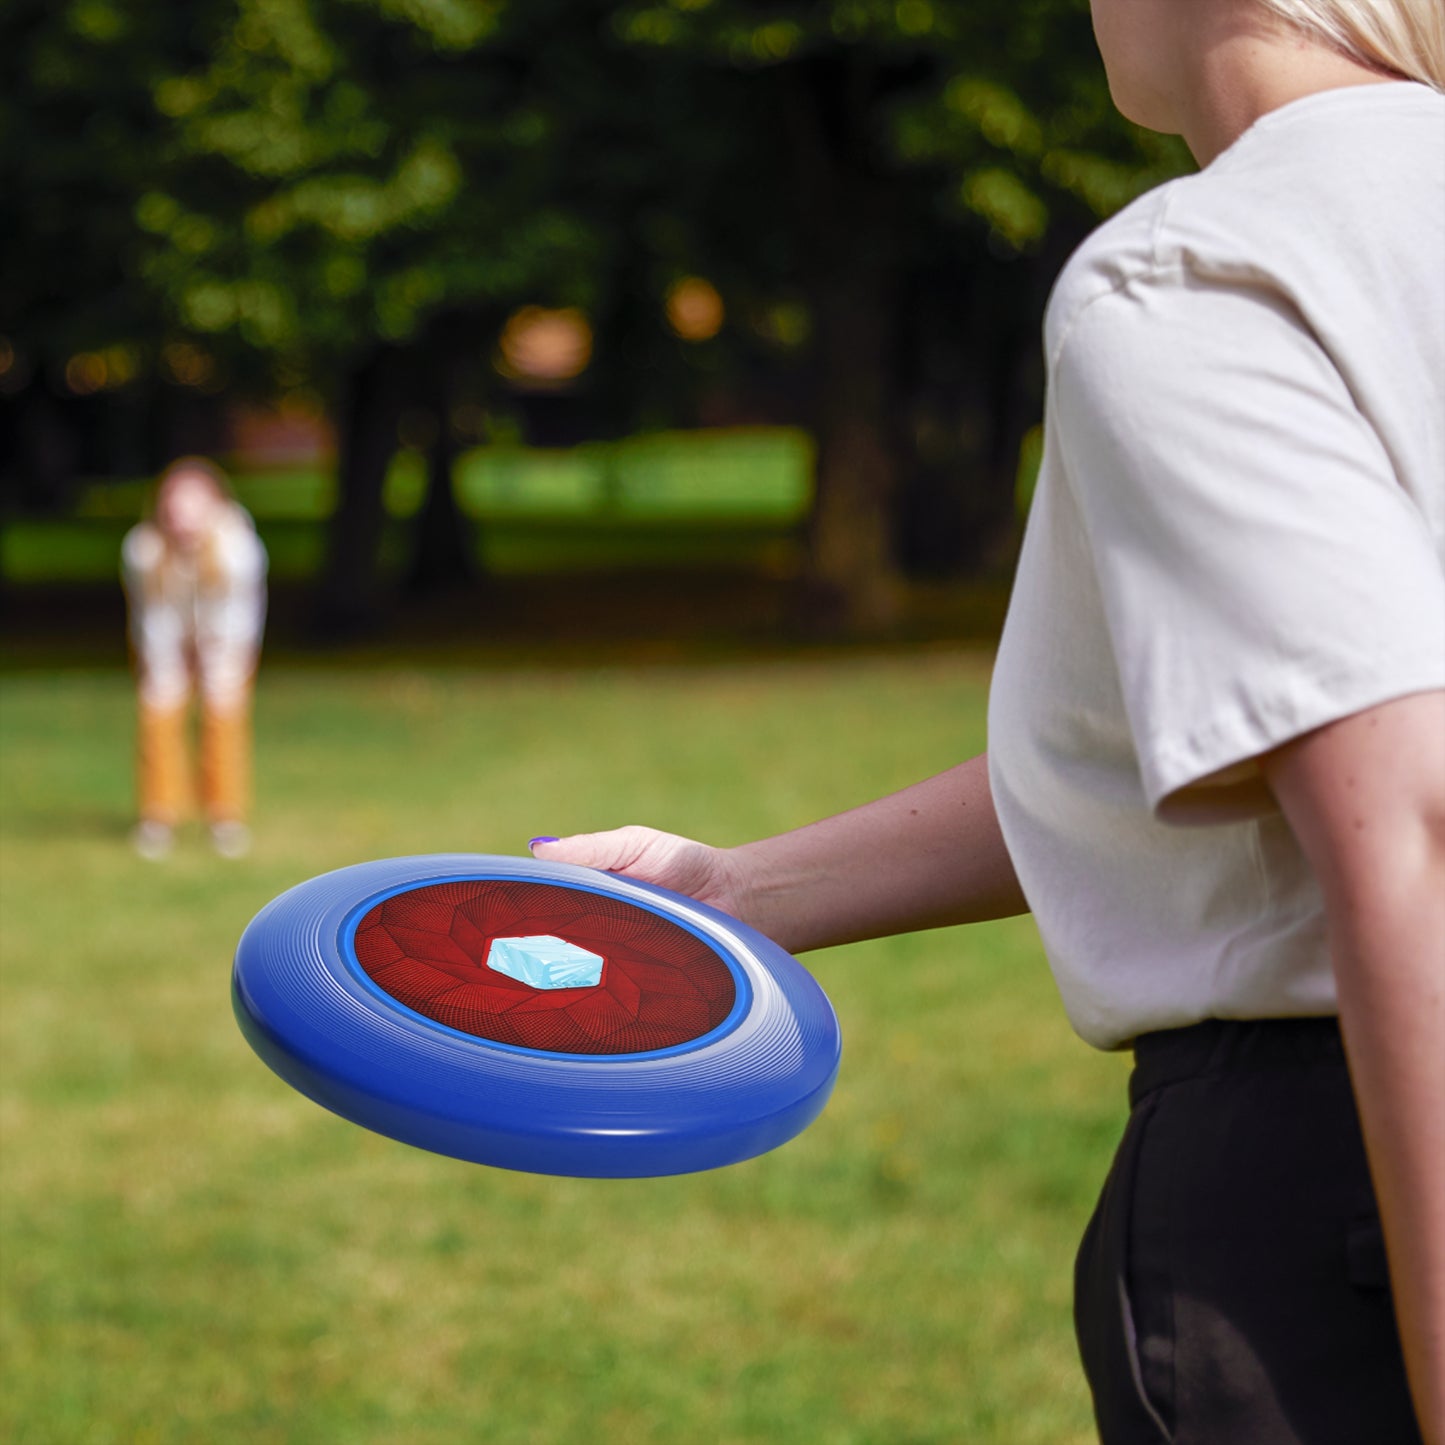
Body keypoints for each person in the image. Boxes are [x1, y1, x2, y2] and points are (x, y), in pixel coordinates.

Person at [529, 2, 1445, 1440]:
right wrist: (736, 891)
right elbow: (1220, 743)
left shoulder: (1203, 270)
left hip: (1343, 1191)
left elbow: (1409, 826)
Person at [121, 457, 268, 860]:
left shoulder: (239, 549)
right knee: (158, 712)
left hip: (225, 640)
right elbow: (152, 615)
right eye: (174, 506)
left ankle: (225, 818)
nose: (182, 517)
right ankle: (158, 817)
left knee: (223, 716)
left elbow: (239, 615)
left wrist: (216, 658)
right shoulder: (143, 549)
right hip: (165, 639)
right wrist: (167, 664)